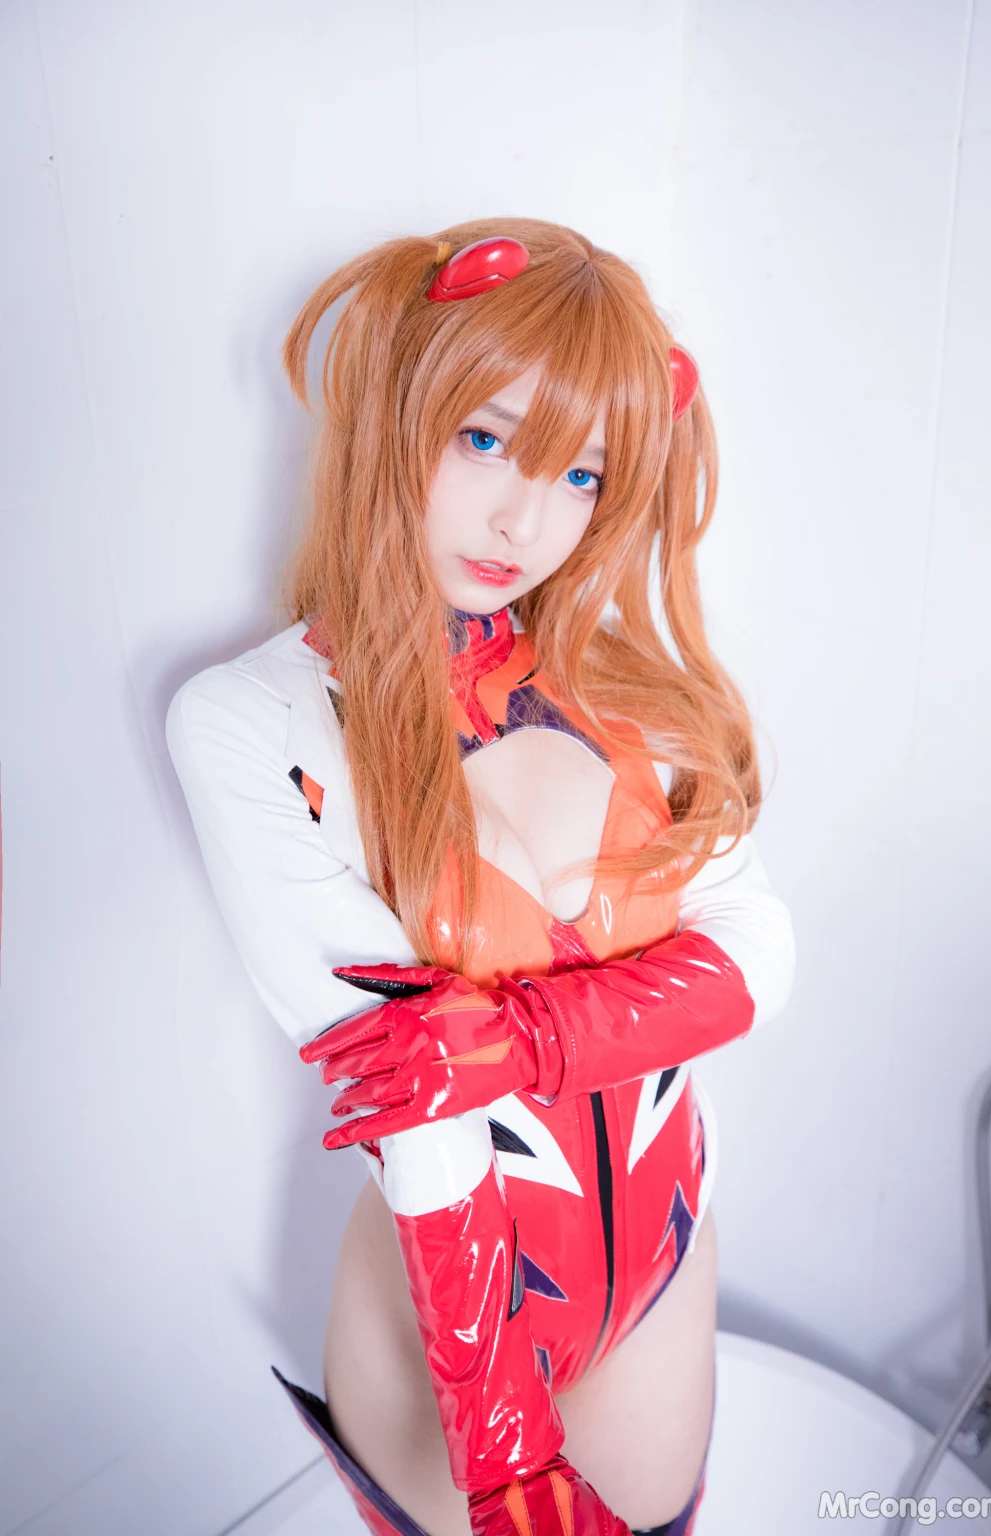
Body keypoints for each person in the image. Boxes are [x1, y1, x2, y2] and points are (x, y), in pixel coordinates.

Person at [165, 217, 797, 1536]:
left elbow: (759, 945)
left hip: (665, 1268)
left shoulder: (628, 690)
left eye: (582, 474)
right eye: (487, 439)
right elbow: (409, 1097)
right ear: (405, 406)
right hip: (447, 1324)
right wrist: (504, 1444)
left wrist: (522, 1037)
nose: (526, 520)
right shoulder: (251, 724)